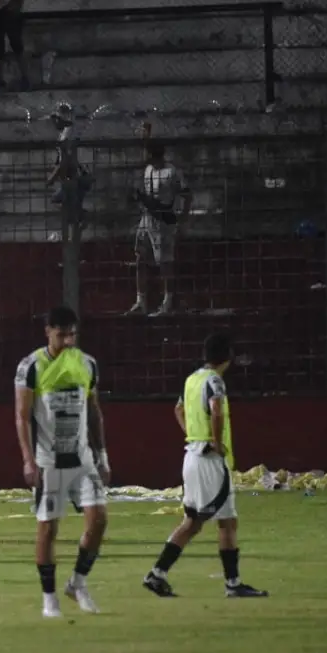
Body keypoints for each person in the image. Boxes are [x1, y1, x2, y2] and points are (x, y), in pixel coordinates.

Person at [144, 333, 269, 599]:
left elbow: (178, 409)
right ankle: (233, 584)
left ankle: (157, 574)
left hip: (191, 455)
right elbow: (217, 409)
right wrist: (214, 440)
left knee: (192, 522)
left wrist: (193, 435)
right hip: (209, 461)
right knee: (227, 522)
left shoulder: (192, 379)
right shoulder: (214, 381)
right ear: (228, 357)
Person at [14, 306, 109, 617]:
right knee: (47, 530)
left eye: (72, 334)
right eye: (61, 334)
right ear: (48, 332)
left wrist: (103, 455)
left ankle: (77, 583)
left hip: (83, 459)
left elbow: (94, 411)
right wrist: (28, 460)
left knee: (98, 521)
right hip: (50, 461)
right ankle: (49, 598)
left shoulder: (87, 363)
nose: (68, 341)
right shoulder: (31, 366)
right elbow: (22, 416)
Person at [128, 123, 191, 316]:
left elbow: (187, 194)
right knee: (140, 257)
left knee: (165, 262)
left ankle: (168, 301)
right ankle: (141, 300)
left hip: (163, 220)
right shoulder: (148, 170)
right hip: (147, 218)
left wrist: (182, 218)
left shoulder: (171, 172)